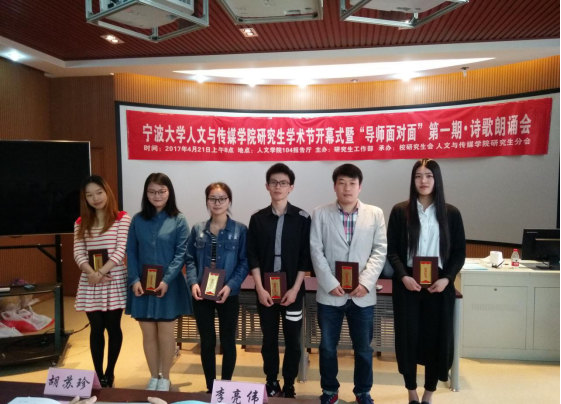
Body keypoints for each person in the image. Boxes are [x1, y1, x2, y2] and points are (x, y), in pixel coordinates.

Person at [387, 158, 466, 404]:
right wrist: (403, 276)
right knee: (408, 339)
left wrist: (447, 279)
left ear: (437, 179)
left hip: (438, 285)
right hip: (408, 284)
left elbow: (459, 253)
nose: (423, 181)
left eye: (429, 176)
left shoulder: (451, 213)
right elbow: (392, 250)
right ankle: (411, 392)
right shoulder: (400, 211)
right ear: (413, 180)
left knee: (436, 340)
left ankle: (428, 394)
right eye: (418, 176)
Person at [310, 164, 387, 404]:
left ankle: (363, 391)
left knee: (363, 348)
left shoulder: (375, 214)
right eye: (342, 183)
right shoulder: (320, 214)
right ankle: (329, 391)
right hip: (330, 294)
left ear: (360, 186)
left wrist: (365, 283)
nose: (347, 188)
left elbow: (379, 251)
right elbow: (316, 250)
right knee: (327, 347)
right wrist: (330, 282)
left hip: (362, 294)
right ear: (334, 186)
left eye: (352, 183)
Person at [247, 163, 312, 398]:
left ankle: (290, 383)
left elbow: (306, 257)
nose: (278, 187)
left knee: (293, 340)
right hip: (265, 292)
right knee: (269, 339)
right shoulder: (257, 219)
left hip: (293, 292)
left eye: (283, 183)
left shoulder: (303, 218)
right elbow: (252, 255)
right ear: (267, 186)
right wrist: (259, 288)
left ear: (291, 187)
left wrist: (295, 289)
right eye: (273, 182)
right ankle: (271, 381)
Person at [126, 173, 192, 392]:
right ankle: (154, 376)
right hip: (142, 286)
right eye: (152, 191)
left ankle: (166, 377)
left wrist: (166, 280)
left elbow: (181, 253)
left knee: (165, 334)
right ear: (146, 194)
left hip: (168, 286)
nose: (157, 195)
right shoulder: (138, 220)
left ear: (169, 192)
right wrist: (134, 279)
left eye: (162, 191)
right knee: (148, 334)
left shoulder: (179, 220)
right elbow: (131, 251)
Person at [185, 182, 249, 394]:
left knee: (228, 342)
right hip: (201, 293)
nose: (217, 202)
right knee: (207, 342)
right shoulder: (197, 229)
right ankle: (211, 388)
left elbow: (244, 262)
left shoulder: (240, 230)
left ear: (229, 201)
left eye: (222, 198)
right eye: (213, 198)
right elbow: (190, 259)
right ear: (207, 201)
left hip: (228, 293)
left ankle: (226, 387)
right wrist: (193, 282)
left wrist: (230, 286)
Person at [73, 175, 131, 388]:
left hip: (114, 279)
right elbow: (78, 253)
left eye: (99, 192)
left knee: (113, 327)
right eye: (89, 195)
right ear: (85, 198)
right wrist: (93, 274)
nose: (95, 198)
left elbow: (120, 249)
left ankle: (110, 372)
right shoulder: (80, 222)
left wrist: (100, 272)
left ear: (107, 192)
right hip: (91, 281)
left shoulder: (122, 218)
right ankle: (98, 375)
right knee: (96, 328)